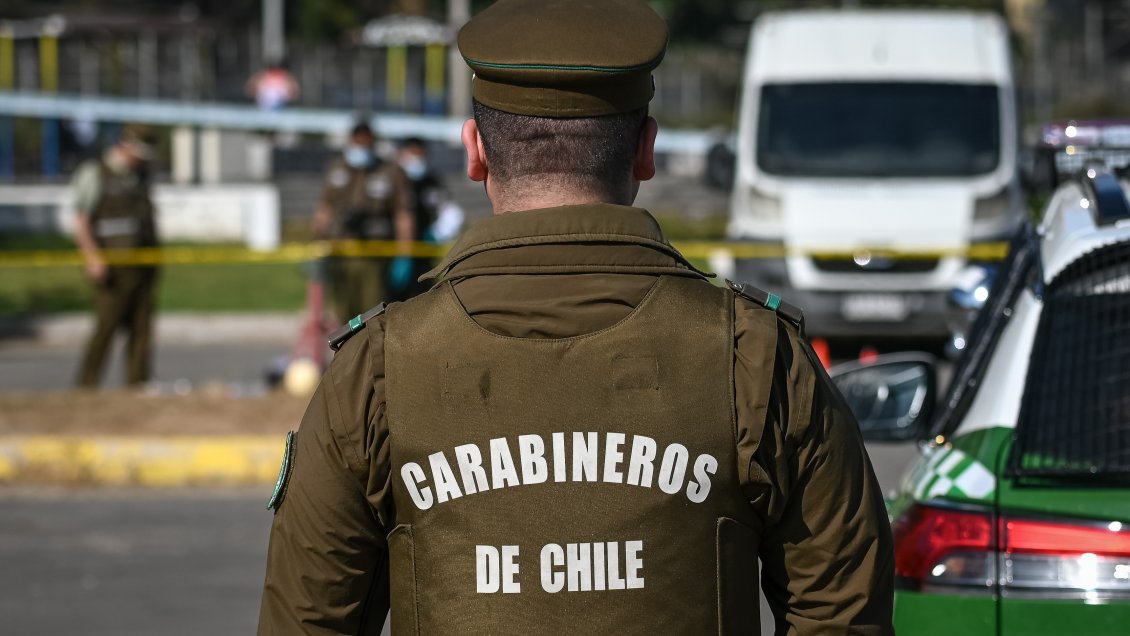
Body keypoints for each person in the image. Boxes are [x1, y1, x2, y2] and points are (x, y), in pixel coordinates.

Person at [258, 1, 894, 634]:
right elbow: (842, 614)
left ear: (475, 151)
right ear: (646, 150)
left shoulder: (377, 369)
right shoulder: (755, 355)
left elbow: (307, 621)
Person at [73, 125, 159, 388]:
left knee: (142, 331)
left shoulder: (141, 176)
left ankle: (137, 386)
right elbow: (81, 221)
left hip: (143, 264)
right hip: (112, 267)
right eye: (138, 153)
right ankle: (87, 386)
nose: (141, 160)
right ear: (125, 146)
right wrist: (92, 257)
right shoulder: (95, 173)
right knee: (105, 328)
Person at [312, 121, 414, 322]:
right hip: (341, 252)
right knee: (343, 316)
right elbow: (325, 209)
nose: (361, 148)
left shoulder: (389, 172)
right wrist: (315, 243)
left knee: (372, 315)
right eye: (358, 143)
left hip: (374, 255)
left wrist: (405, 253)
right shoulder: (337, 169)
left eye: (365, 143)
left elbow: (403, 215)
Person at [387, 136, 464, 301]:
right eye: (412, 154)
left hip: (422, 251)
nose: (416, 160)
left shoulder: (431, 182)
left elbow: (451, 212)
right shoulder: (392, 179)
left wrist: (436, 234)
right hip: (390, 249)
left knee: (420, 298)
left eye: (420, 155)